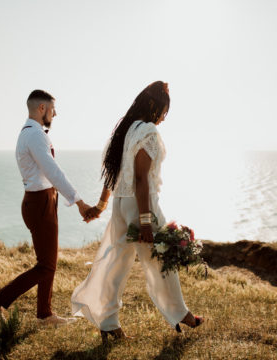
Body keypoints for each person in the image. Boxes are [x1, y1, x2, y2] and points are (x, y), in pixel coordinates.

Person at [72, 81, 204, 343]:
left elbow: (114, 173)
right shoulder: (149, 132)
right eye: (165, 110)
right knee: (161, 259)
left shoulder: (126, 130)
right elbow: (141, 178)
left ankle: (108, 321)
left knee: (117, 263)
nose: (165, 117)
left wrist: (102, 205)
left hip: (122, 203)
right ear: (155, 107)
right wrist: (145, 221)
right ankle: (181, 314)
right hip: (142, 203)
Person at [0, 90, 91, 329]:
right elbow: (52, 171)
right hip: (40, 203)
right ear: (41, 109)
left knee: (48, 261)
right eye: (52, 109)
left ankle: (45, 314)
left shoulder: (34, 133)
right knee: (46, 265)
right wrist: (79, 201)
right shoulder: (34, 136)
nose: (55, 113)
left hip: (44, 200)